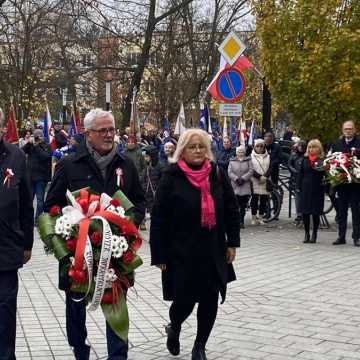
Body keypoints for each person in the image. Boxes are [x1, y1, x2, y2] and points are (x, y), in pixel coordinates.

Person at [44, 108, 146, 360]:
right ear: (88, 134)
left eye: (111, 129)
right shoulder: (69, 164)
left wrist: (127, 227)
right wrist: (67, 235)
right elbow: (50, 206)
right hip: (78, 254)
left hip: (115, 252)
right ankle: (80, 348)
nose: (109, 134)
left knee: (116, 305)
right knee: (76, 308)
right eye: (103, 130)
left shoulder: (126, 165)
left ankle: (118, 355)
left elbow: (140, 202)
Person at [150, 129, 240, 360]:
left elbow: (231, 208)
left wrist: (232, 243)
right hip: (181, 251)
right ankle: (175, 326)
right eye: (192, 147)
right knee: (185, 301)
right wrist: (159, 255)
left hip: (213, 248)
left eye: (202, 146)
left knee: (210, 298)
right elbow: (158, 216)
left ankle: (199, 347)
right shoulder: (171, 176)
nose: (198, 151)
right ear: (182, 150)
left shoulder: (217, 173)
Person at [0, 107, 34, 359]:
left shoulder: (16, 157)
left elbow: (25, 201)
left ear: (2, 128)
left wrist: (27, 243)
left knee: (5, 312)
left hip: (6, 249)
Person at [330, 120, 360, 246]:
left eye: (350, 128)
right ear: (343, 130)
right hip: (342, 183)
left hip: (356, 184)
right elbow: (331, 160)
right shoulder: (337, 143)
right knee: (341, 211)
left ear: (354, 130)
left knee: (356, 210)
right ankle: (341, 237)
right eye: (346, 129)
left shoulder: (359, 142)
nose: (348, 131)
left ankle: (356, 237)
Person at [298, 140, 325, 243]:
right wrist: (298, 186)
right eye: (309, 147)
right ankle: (306, 234)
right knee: (305, 212)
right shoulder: (304, 159)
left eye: (314, 147)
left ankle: (314, 234)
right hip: (305, 188)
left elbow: (325, 174)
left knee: (315, 213)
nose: (311, 149)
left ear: (319, 149)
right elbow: (300, 174)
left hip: (317, 188)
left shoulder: (322, 160)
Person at [22, 128, 52, 220]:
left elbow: (45, 157)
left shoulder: (47, 145)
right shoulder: (31, 145)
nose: (38, 138)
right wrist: (29, 143)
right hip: (30, 177)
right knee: (28, 200)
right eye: (36, 136)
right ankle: (28, 218)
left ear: (43, 137)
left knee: (40, 201)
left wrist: (36, 146)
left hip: (41, 178)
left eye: (40, 136)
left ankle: (37, 219)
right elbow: (21, 151)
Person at [228, 144, 254, 228]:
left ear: (244, 152)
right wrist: (236, 179)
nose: (240, 153)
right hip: (235, 185)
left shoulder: (248, 160)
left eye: (242, 151)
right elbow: (229, 172)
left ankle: (241, 221)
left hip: (245, 185)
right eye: (239, 151)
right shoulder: (232, 161)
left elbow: (251, 171)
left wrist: (243, 178)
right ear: (236, 152)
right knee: (235, 205)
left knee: (243, 205)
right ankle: (236, 221)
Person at [140, 145, 162, 230]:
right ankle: (142, 222)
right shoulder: (147, 166)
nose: (145, 158)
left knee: (154, 210)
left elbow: (162, 180)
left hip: (155, 192)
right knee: (143, 207)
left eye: (147, 156)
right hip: (146, 191)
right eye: (145, 157)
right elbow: (143, 178)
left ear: (152, 156)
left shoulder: (160, 167)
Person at [250, 139, 271, 225]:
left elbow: (271, 167)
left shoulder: (268, 156)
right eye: (257, 146)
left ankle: (261, 217)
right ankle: (254, 218)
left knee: (263, 199)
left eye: (261, 146)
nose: (259, 148)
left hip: (265, 180)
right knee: (254, 199)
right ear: (254, 147)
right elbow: (251, 168)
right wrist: (259, 177)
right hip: (255, 180)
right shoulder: (251, 156)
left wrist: (265, 176)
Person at [288, 140, 306, 224]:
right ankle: (299, 214)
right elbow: (289, 164)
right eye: (300, 146)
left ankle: (304, 213)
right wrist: (294, 171)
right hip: (295, 178)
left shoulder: (306, 155)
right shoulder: (293, 155)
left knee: (303, 196)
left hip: (305, 178)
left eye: (302, 146)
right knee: (297, 197)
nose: (301, 148)